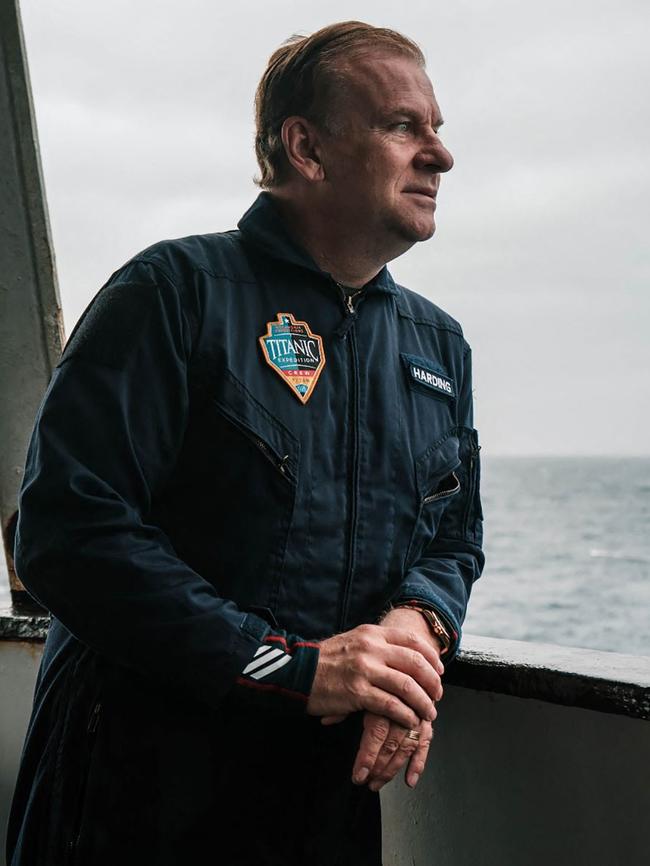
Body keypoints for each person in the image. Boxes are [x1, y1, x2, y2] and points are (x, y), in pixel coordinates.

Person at [7, 20, 484, 866]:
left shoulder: (435, 348)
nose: (439, 155)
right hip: (137, 791)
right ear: (307, 147)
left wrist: (420, 624)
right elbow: (67, 535)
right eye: (403, 125)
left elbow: (453, 537)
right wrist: (288, 667)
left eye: (437, 128)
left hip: (324, 800)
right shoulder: (174, 295)